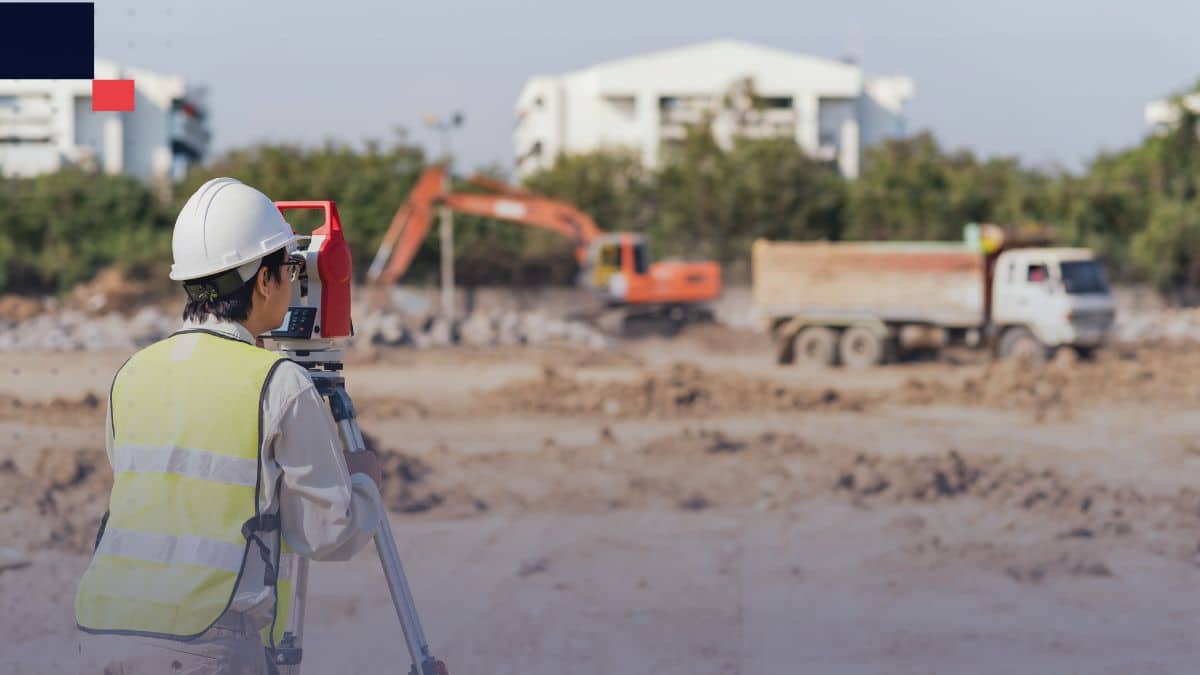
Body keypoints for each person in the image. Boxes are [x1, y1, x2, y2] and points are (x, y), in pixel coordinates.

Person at [74, 177, 383, 674]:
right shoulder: (277, 383)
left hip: (101, 631)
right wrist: (365, 481)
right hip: (200, 644)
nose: (292, 278)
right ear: (264, 280)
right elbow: (328, 534)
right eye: (288, 266)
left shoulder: (132, 373)